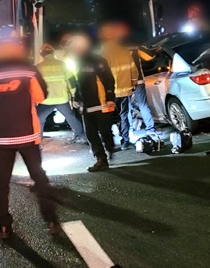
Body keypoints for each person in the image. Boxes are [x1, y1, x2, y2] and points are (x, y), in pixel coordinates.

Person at [0, 27, 59, 238]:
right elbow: (41, 96)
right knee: (39, 178)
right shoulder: (29, 70)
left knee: (1, 184)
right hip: (28, 135)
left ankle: (5, 227)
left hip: (2, 138)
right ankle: (51, 221)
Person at [67, 34, 116, 172]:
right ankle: (101, 158)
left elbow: (108, 80)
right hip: (86, 105)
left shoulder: (98, 60)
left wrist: (110, 98)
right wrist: (77, 98)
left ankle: (110, 147)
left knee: (105, 131)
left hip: (100, 103)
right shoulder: (77, 62)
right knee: (90, 134)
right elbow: (79, 83)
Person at [114, 22, 159, 139]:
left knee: (126, 109)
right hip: (138, 80)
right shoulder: (134, 45)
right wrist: (156, 50)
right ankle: (150, 129)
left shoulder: (115, 48)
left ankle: (129, 131)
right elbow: (149, 56)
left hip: (122, 83)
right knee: (143, 105)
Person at [36, 43, 86, 144]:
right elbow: (72, 82)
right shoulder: (62, 64)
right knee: (71, 118)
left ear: (42, 54)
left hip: (46, 100)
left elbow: (35, 85)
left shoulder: (39, 67)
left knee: (39, 119)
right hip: (61, 99)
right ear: (53, 52)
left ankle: (38, 140)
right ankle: (84, 137)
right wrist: (74, 96)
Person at [100, 24, 138, 150]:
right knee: (124, 115)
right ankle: (125, 141)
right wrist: (133, 84)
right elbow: (134, 71)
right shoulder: (124, 52)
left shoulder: (102, 54)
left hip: (108, 93)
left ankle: (108, 143)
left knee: (107, 118)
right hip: (124, 91)